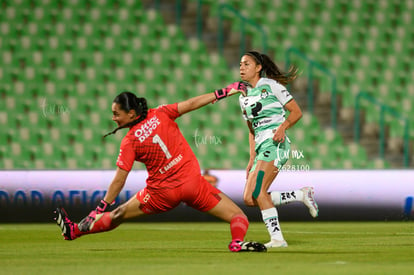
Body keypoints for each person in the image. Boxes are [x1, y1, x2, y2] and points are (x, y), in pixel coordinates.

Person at [55, 84, 267, 252]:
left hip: (162, 194)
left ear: (130, 114)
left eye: (116, 113)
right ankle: (237, 243)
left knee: (118, 213)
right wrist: (224, 91)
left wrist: (99, 209)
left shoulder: (130, 141)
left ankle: (74, 231)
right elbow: (192, 103)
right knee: (238, 217)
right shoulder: (161, 113)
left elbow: (120, 179)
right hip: (193, 185)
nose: (113, 118)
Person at [237, 51, 319, 248]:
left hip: (276, 143)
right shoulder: (243, 97)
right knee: (249, 198)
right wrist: (251, 158)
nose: (241, 67)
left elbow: (296, 112)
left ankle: (277, 239)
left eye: (246, 64)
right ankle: (301, 195)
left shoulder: (271, 85)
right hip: (261, 147)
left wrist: (282, 127)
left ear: (258, 68)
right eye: (240, 64)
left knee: (258, 191)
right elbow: (251, 129)